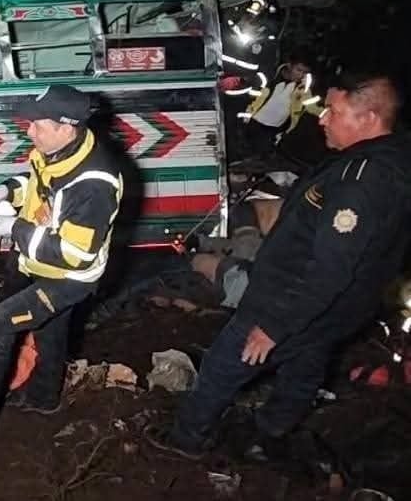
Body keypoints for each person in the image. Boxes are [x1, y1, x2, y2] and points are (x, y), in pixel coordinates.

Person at [149, 73, 411, 460]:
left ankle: (187, 439)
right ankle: (272, 431)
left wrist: (274, 326)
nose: (322, 118)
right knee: (306, 362)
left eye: (334, 111)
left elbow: (330, 269)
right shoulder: (385, 160)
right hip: (338, 307)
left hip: (290, 298)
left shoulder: (360, 182)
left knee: (223, 366)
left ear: (369, 118)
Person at [0, 85, 124, 446]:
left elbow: (75, 254)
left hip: (68, 278)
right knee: (51, 331)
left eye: (38, 125)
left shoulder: (94, 184)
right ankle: (43, 398)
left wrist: (15, 228)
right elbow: (37, 185)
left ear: (66, 128)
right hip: (42, 266)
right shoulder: (56, 152)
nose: (29, 131)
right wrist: (6, 190)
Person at [242, 54, 322, 154]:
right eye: (298, 70)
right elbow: (251, 94)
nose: (301, 75)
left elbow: (311, 107)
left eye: (305, 72)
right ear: (289, 65)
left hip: (274, 129)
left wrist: (326, 112)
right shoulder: (271, 75)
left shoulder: (303, 88)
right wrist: (247, 112)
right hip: (253, 121)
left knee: (261, 155)